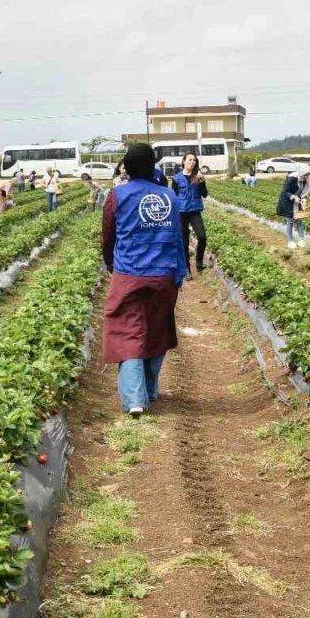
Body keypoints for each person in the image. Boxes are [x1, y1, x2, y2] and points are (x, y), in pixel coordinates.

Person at [101, 144, 187, 417]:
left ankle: (135, 399)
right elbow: (178, 238)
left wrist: (111, 264)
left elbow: (108, 235)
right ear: (153, 167)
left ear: (126, 167)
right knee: (157, 330)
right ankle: (149, 390)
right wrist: (179, 272)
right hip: (163, 274)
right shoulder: (169, 196)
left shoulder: (117, 195)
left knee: (127, 331)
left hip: (129, 273)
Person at [171, 152, 209, 276]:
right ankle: (186, 269)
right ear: (184, 161)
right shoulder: (176, 178)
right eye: (190, 159)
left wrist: (202, 182)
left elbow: (204, 194)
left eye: (194, 160)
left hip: (195, 210)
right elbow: (173, 196)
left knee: (202, 237)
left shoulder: (198, 176)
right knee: (184, 242)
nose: (192, 162)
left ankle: (199, 262)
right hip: (181, 212)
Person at [276, 173, 305, 249]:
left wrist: (304, 198)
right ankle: (290, 241)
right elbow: (285, 191)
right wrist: (293, 197)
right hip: (289, 203)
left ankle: (301, 240)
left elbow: (304, 192)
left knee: (299, 221)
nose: (305, 177)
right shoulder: (291, 179)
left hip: (298, 203)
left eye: (307, 175)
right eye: (304, 175)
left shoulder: (304, 181)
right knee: (290, 221)